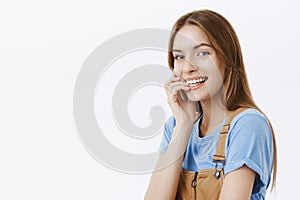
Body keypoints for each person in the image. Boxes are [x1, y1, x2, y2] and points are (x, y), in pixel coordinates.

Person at [145, 9, 276, 200]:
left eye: (202, 53)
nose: (188, 67)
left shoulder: (247, 125)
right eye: (179, 56)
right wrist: (184, 126)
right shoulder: (174, 126)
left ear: (226, 57)